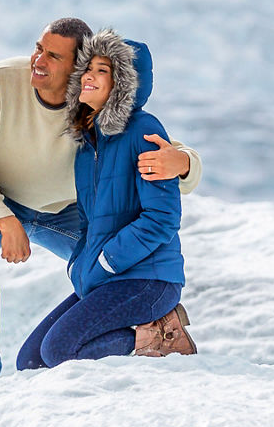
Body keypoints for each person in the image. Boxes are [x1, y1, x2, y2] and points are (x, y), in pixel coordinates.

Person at [0, 17, 202, 388]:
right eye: (38, 49)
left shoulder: (103, 115)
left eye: (53, 56)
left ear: (75, 68)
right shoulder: (4, 84)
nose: (38, 61)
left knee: (87, 305)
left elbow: (162, 151)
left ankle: (153, 324)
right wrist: (6, 220)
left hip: (67, 217)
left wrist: (185, 163)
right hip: (1, 205)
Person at [17, 29, 193, 372]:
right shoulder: (88, 142)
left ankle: (156, 334)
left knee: (60, 352)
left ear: (124, 84)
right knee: (31, 361)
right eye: (87, 68)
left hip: (147, 280)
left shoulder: (143, 131)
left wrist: (107, 260)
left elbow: (162, 219)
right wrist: (81, 263)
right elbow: (89, 220)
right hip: (106, 278)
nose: (89, 76)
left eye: (102, 70)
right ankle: (145, 328)